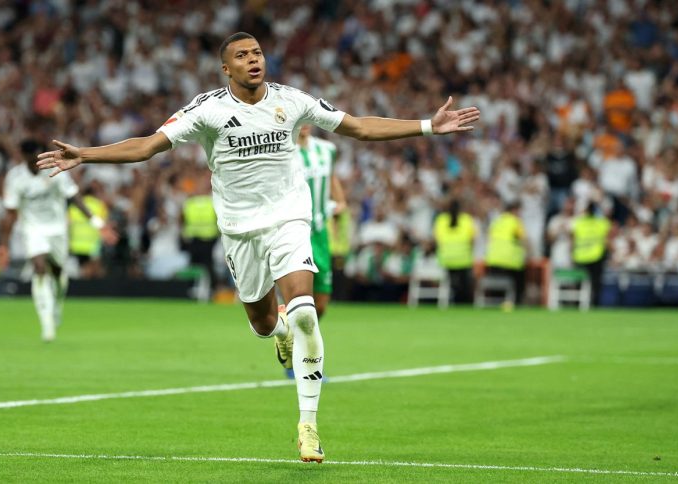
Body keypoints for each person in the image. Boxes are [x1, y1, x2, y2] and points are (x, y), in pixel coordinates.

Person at [36, 32, 479, 462]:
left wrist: (426, 126)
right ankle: (279, 334)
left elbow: (359, 127)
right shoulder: (207, 110)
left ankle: (308, 424)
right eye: (244, 55)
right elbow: (148, 146)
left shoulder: (293, 99)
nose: (254, 60)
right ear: (225, 68)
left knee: (305, 310)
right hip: (239, 229)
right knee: (266, 323)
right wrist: (86, 154)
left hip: (289, 217)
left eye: (259, 52)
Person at [0, 139, 115, 342]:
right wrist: (4, 245)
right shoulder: (15, 177)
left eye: (39, 156)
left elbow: (75, 197)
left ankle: (57, 303)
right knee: (40, 268)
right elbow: (10, 213)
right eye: (32, 157)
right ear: (23, 156)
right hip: (33, 230)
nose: (37, 161)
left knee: (58, 272)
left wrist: (96, 222)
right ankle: (47, 323)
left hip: (58, 229)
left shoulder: (56, 168)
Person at [296, 124, 346, 319]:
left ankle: (301, 336)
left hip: (319, 232)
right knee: (299, 296)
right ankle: (293, 341)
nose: (305, 124)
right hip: (294, 232)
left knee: (322, 302)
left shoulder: (327, 149)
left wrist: (341, 202)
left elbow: (331, 177)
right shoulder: (284, 152)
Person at [433, 199, 477, 304]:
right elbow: (472, 239)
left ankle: (449, 301)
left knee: (450, 283)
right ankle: (463, 303)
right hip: (463, 257)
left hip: (446, 258)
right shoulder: (466, 220)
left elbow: (437, 239)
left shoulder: (441, 220)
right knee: (464, 284)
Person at [485, 201, 527, 305]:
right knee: (519, 284)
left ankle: (494, 304)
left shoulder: (496, 221)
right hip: (510, 260)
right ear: (514, 210)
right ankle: (516, 304)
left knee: (496, 286)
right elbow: (523, 240)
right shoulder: (515, 221)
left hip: (493, 259)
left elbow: (489, 238)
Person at [572, 201, 612, 306]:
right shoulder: (601, 222)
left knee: (579, 283)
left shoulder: (579, 222)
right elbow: (607, 239)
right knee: (596, 283)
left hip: (580, 256)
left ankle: (577, 304)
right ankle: (594, 304)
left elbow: (573, 239)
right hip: (596, 256)